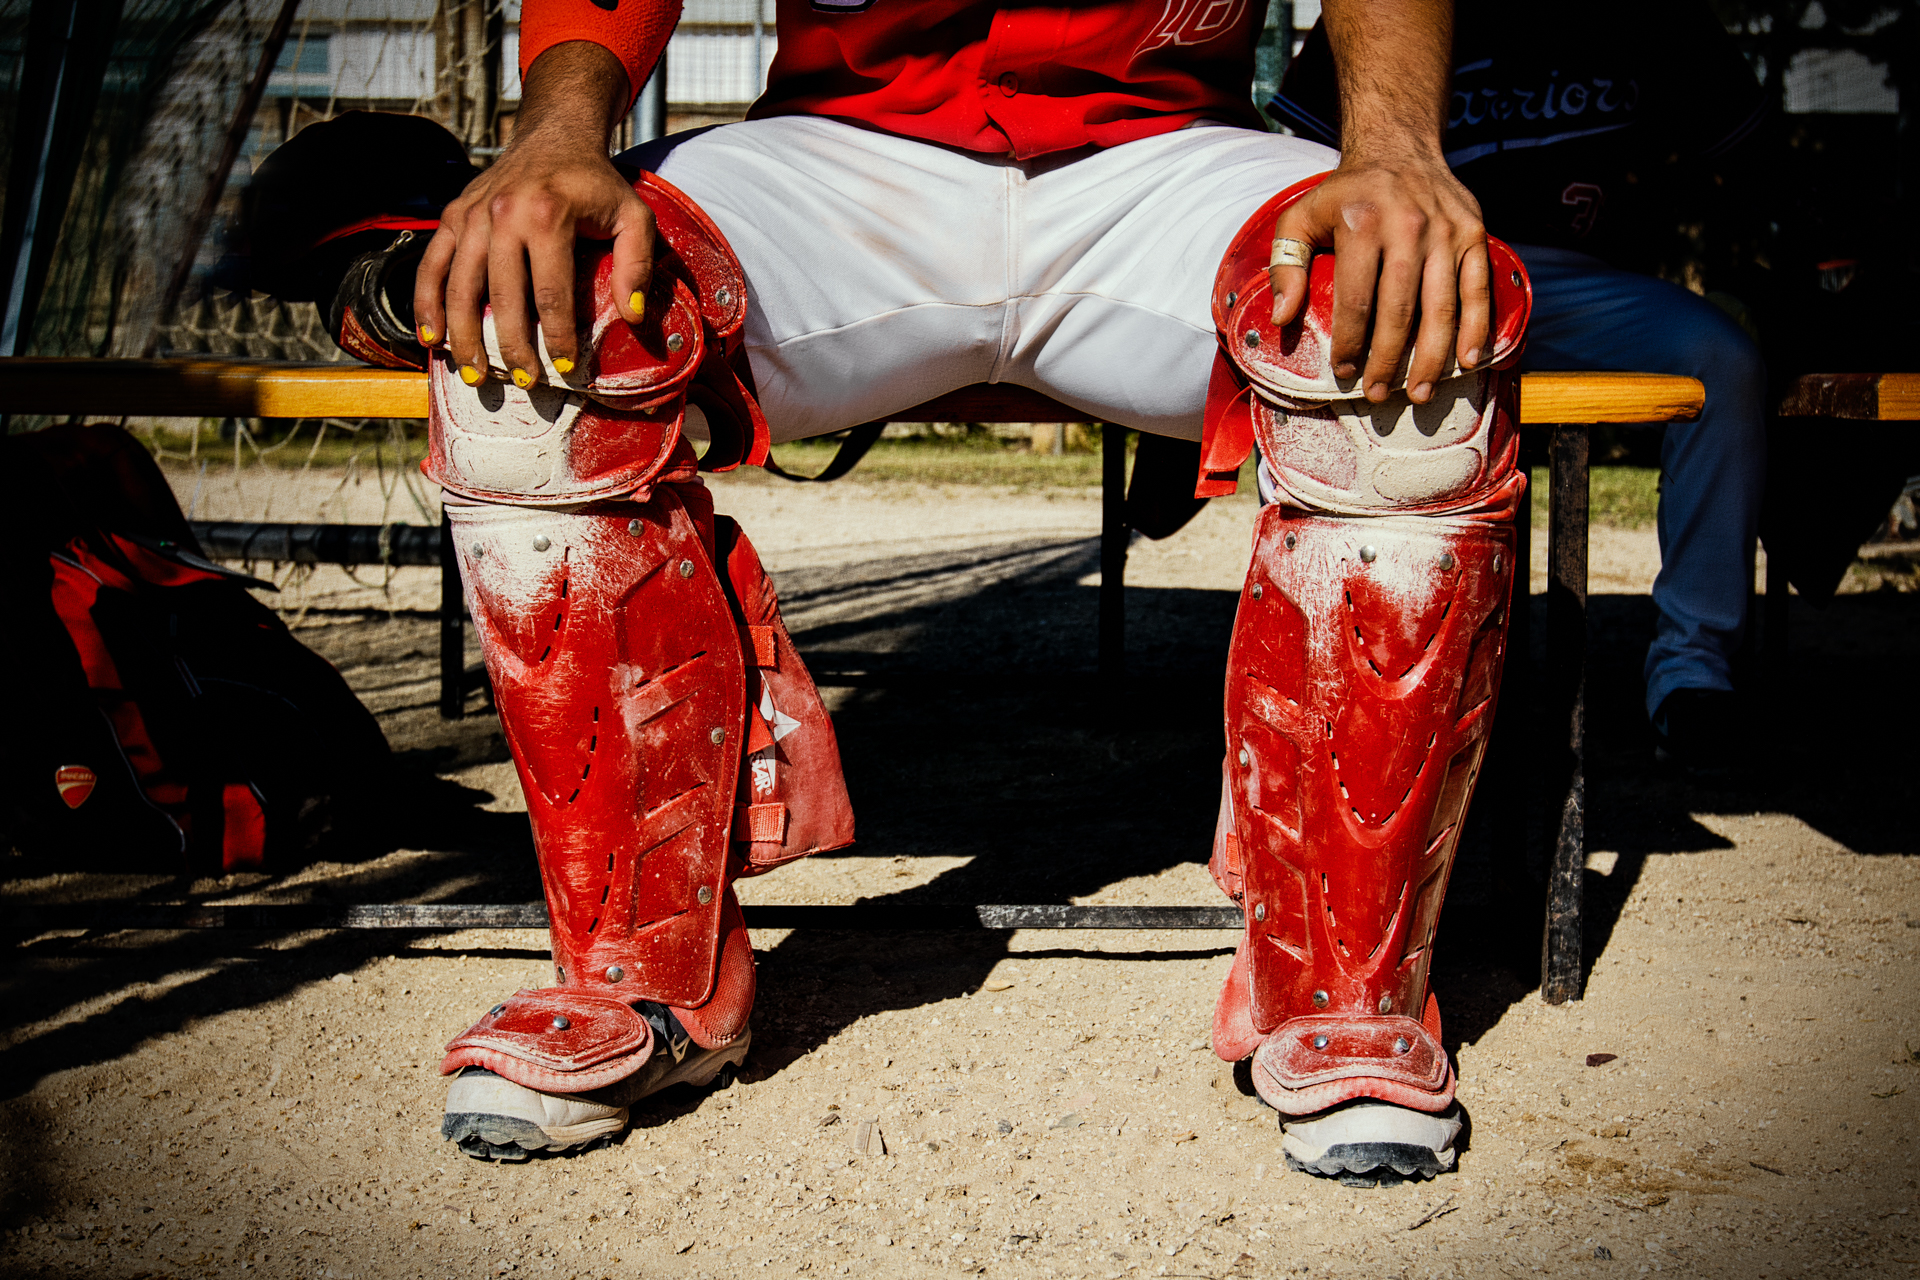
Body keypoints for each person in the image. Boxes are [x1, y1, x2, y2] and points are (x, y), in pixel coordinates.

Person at [418, 0, 1526, 1186]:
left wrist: (1395, 150)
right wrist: (558, 132)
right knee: (534, 332)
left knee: (1406, 347)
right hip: (838, 157)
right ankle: (644, 970)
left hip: (1161, 156)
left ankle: (1344, 984)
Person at [1275, 0, 1769, 776]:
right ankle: (1366, 678)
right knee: (1318, 361)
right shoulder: (1384, 14)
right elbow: (1294, 160)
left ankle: (1693, 668)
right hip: (1424, 266)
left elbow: (1749, 154)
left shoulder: (1650, 14)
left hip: (1580, 282)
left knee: (1724, 358)